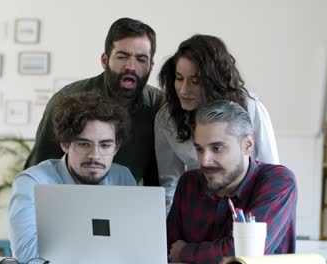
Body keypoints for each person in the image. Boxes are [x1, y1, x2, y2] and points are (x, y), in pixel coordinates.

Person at [25, 17, 163, 186]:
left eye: (141, 59)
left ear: (151, 66)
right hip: (66, 200)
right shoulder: (66, 100)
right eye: (122, 56)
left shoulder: (160, 107)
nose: (131, 66)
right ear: (104, 60)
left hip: (124, 201)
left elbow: (159, 178)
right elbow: (39, 171)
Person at [156, 34, 279, 212]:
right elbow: (169, 183)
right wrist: (169, 231)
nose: (183, 90)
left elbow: (271, 172)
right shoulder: (166, 118)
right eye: (179, 78)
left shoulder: (250, 108)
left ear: (214, 82)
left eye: (195, 81)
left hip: (247, 205)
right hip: (201, 208)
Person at [9, 92, 137, 263]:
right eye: (84, 144)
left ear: (116, 147)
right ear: (65, 144)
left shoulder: (123, 178)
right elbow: (28, 253)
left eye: (105, 145)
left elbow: (135, 246)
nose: (95, 155)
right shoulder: (33, 183)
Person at [166, 100, 297, 264]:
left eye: (217, 148)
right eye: (199, 149)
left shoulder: (278, 182)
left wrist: (186, 251)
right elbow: (169, 250)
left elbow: (244, 255)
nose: (204, 161)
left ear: (247, 145)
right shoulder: (189, 182)